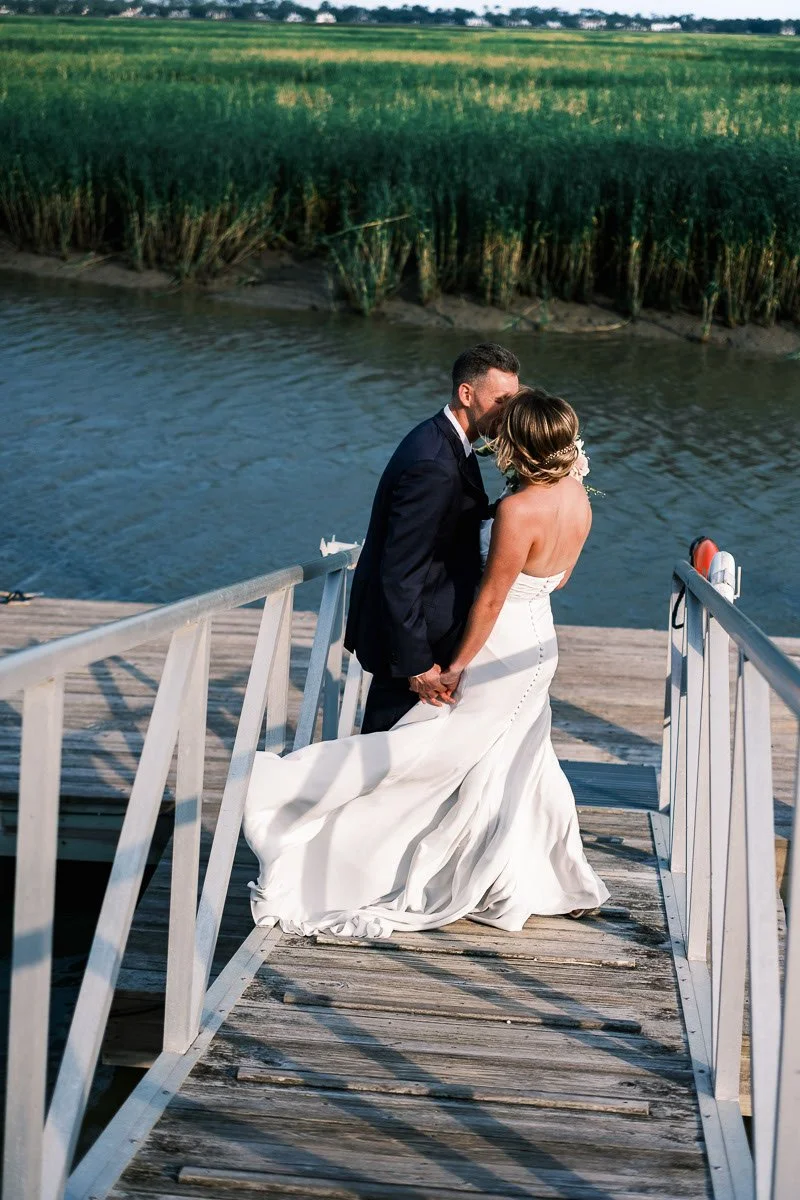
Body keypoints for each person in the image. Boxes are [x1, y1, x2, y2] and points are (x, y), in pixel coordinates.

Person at [243, 386, 609, 937]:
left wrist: (456, 665)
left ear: (520, 446)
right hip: (540, 646)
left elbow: (489, 599)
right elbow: (561, 577)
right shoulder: (577, 495)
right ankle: (538, 871)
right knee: (515, 760)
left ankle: (337, 839)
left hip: (500, 645)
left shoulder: (516, 509)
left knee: (433, 752)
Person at [344, 343, 520, 734]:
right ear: (466, 394)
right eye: (501, 400)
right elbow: (400, 571)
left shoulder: (448, 441)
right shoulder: (434, 464)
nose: (509, 412)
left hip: (429, 626)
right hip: (412, 639)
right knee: (380, 756)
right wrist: (416, 663)